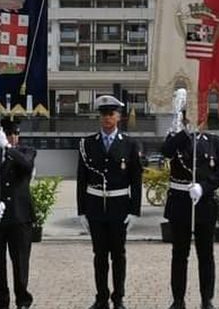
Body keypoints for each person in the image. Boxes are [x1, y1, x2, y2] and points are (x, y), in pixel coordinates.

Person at [77, 95, 143, 309]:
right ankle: (101, 297)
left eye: (111, 114)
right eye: (104, 114)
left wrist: (135, 210)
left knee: (119, 255)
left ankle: (118, 297)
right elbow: (81, 179)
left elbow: (136, 179)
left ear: (119, 117)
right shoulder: (87, 144)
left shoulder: (130, 144)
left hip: (119, 206)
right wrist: (81, 211)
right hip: (96, 207)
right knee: (99, 255)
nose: (107, 118)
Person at [161, 125, 219, 309]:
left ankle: (207, 299)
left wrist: (203, 187)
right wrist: (184, 132)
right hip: (180, 202)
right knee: (179, 254)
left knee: (206, 254)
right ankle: (178, 299)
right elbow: (166, 152)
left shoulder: (215, 141)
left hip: (204, 202)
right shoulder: (177, 137)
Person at [0, 118, 36, 309]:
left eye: (16, 134)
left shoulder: (26, 152)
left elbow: (26, 166)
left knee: (20, 261)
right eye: (9, 134)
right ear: (1, 134)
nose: (13, 137)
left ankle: (23, 300)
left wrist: (7, 147)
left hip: (20, 217)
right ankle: (1, 301)